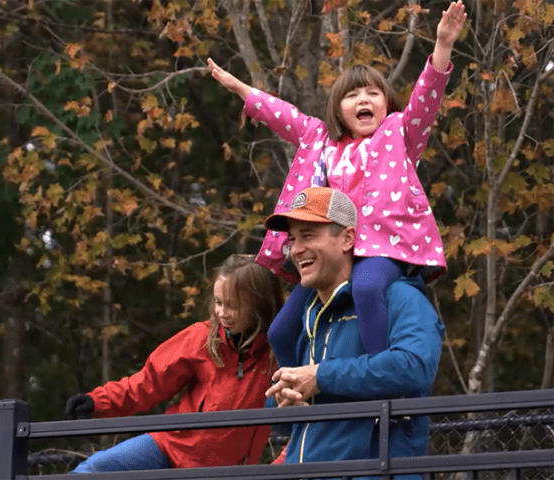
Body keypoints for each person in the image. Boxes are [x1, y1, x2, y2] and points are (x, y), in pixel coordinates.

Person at [208, 1, 466, 357]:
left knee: (366, 289)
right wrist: (241, 89)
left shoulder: (398, 134)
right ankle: (291, 398)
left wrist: (443, 46)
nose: (364, 99)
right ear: (338, 110)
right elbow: (283, 115)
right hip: (330, 252)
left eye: (373, 93)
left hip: (380, 247)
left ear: (386, 104)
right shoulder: (320, 140)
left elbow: (425, 100)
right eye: (353, 94)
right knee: (282, 330)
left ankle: (377, 378)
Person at [263, 186, 444, 474]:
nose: (296, 249)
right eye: (293, 239)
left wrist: (321, 375)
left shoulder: (399, 298)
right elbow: (288, 419)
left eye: (308, 235)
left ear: (347, 238)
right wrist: (280, 400)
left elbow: (416, 366)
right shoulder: (305, 316)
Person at [64, 254, 284, 473]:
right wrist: (98, 402)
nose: (222, 313)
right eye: (218, 302)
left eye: (232, 306)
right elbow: (149, 383)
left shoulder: (278, 355)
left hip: (221, 471)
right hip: (168, 446)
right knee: (93, 470)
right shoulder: (203, 338)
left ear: (259, 306)